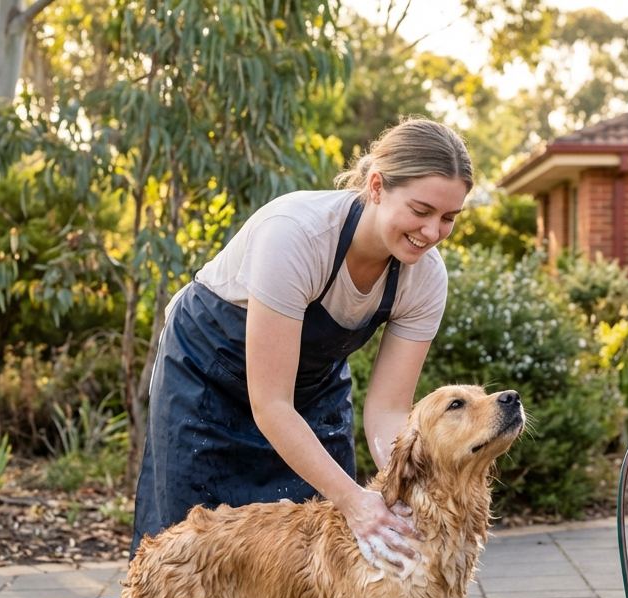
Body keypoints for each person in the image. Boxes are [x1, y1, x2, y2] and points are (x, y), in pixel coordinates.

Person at [132, 118, 473, 571]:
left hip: (312, 386)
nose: (432, 233)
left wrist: (408, 491)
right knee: (191, 559)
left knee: (312, 560)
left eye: (448, 218)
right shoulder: (296, 234)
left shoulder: (426, 278)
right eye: (421, 210)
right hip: (206, 375)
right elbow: (271, 403)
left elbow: (388, 411)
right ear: (376, 186)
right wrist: (353, 499)